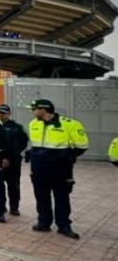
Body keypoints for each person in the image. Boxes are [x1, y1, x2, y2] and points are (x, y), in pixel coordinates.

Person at [27, 99, 89, 239]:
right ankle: (44, 222)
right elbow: (35, 145)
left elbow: (82, 146)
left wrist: (65, 158)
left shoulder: (70, 124)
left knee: (61, 196)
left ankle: (64, 226)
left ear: (43, 109)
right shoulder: (33, 124)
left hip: (60, 168)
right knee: (41, 195)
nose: (32, 112)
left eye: (34, 109)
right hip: (38, 167)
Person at [0, 104, 28, 217]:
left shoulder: (16, 127)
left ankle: (14, 207)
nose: (0, 115)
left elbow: (23, 142)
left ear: (9, 114)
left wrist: (9, 157)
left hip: (13, 160)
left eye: (3, 113)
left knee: (13, 184)